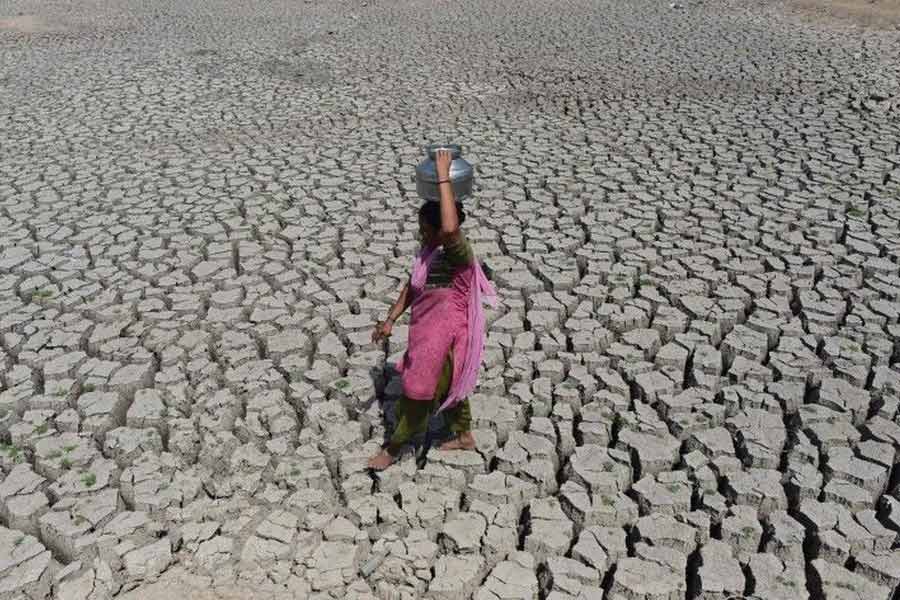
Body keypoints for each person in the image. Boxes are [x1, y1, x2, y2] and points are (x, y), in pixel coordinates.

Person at [367, 148, 496, 471]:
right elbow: (412, 287)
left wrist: (443, 176)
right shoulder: (428, 253)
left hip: (448, 338)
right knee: (451, 386)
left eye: (426, 229)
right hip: (427, 335)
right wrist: (390, 320)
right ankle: (463, 434)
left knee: (418, 391)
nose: (421, 234)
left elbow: (451, 229)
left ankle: (395, 447)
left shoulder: (458, 254)